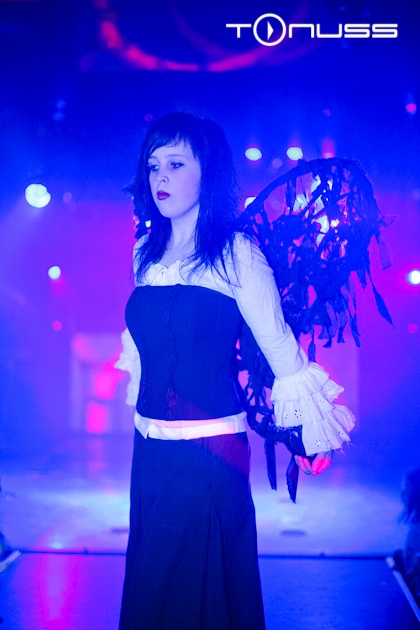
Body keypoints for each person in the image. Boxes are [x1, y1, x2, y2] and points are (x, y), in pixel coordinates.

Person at [115, 112, 355, 629]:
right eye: (153, 165)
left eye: (176, 164)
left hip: (210, 456)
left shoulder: (236, 254)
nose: (160, 177)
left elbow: (281, 349)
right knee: (151, 594)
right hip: (149, 454)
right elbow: (145, 348)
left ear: (209, 173)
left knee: (200, 599)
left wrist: (310, 437)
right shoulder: (144, 254)